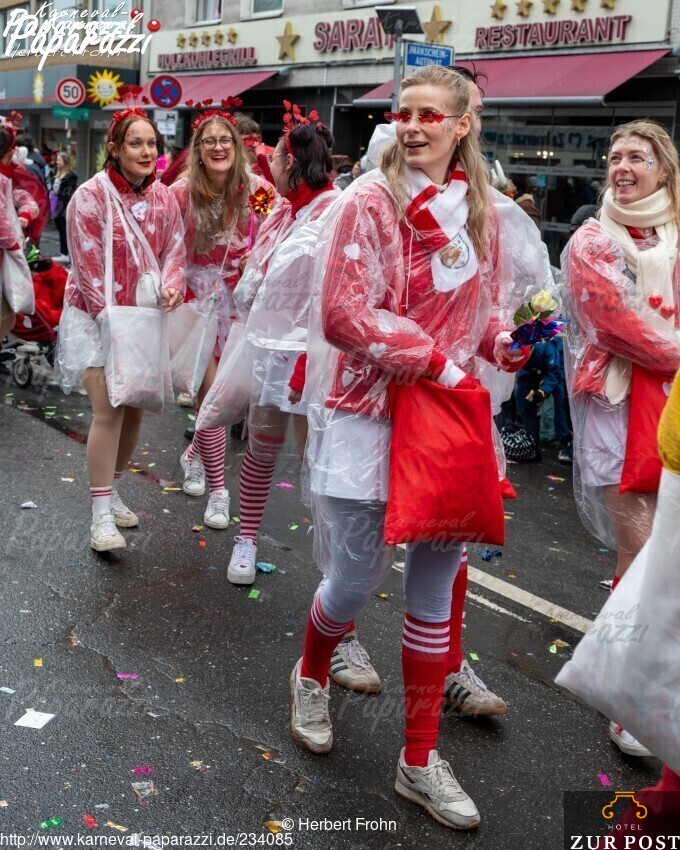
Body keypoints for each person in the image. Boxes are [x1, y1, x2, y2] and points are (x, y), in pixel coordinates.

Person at [289, 66, 548, 829]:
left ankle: (419, 757)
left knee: (433, 597)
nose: (412, 125)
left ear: (463, 124)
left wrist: (505, 343)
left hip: (445, 426)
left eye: (431, 114)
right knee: (353, 583)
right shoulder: (368, 200)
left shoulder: (482, 211)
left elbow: (484, 313)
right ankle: (312, 672)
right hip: (370, 418)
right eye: (404, 113)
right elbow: (342, 314)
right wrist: (434, 361)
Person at [561, 119, 680, 755]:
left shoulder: (677, 234)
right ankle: (622, 693)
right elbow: (614, 328)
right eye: (615, 156)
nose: (623, 167)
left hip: (673, 407)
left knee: (668, 551)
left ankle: (639, 671)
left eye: (638, 157)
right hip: (616, 403)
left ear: (664, 170)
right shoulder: (592, 240)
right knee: (640, 549)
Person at [54, 86, 186, 552]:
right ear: (114, 147)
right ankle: (99, 517)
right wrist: (107, 318)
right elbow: (87, 266)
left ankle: (111, 492)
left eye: (152, 144)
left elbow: (175, 250)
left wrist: (173, 285)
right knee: (109, 408)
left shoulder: (165, 198)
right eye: (136, 143)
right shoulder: (90, 197)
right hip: (95, 320)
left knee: (134, 409)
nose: (146, 152)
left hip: (143, 317)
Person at [228, 103, 339, 585]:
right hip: (272, 349)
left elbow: (334, 291)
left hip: (315, 355)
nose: (268, 165)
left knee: (319, 459)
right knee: (261, 447)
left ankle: (333, 567)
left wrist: (308, 359)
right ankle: (246, 539)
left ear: (290, 161)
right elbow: (258, 262)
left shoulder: (336, 210)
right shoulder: (279, 207)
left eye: (274, 157)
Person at [171, 98, 273, 529]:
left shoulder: (259, 190)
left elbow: (274, 233)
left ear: (237, 145)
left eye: (224, 140)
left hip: (240, 303)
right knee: (210, 395)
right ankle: (219, 491)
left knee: (235, 395)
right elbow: (167, 245)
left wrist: (258, 257)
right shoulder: (179, 193)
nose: (217, 147)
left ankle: (194, 453)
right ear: (197, 149)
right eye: (208, 141)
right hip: (195, 305)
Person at [50, 152, 77, 263]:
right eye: (57, 160)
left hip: (63, 207)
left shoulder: (70, 176)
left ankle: (65, 253)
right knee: (60, 229)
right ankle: (62, 252)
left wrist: (65, 209)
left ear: (65, 162)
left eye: (59, 160)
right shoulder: (58, 173)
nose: (57, 162)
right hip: (55, 205)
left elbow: (69, 195)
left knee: (64, 230)